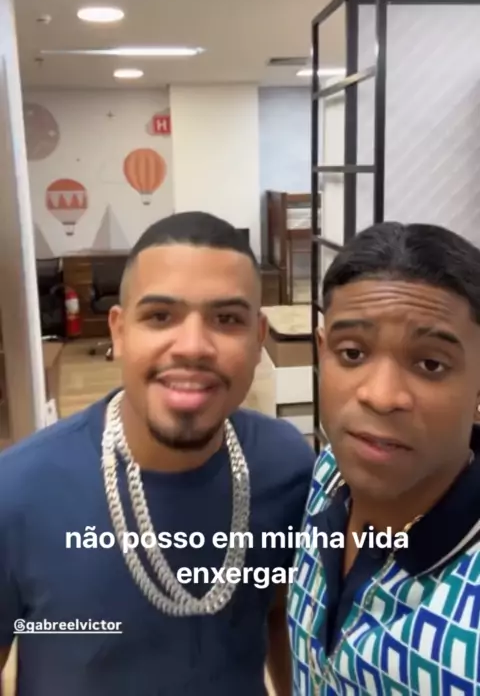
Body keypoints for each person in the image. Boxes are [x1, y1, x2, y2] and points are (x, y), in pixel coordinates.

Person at [0, 211, 315, 696]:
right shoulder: (19, 491)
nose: (192, 347)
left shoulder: (287, 466)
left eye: (227, 319)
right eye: (160, 316)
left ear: (258, 339)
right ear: (119, 332)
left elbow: (280, 614)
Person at [288, 221, 480, 694]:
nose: (381, 395)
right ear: (321, 354)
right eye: (352, 353)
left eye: (430, 364)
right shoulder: (328, 474)